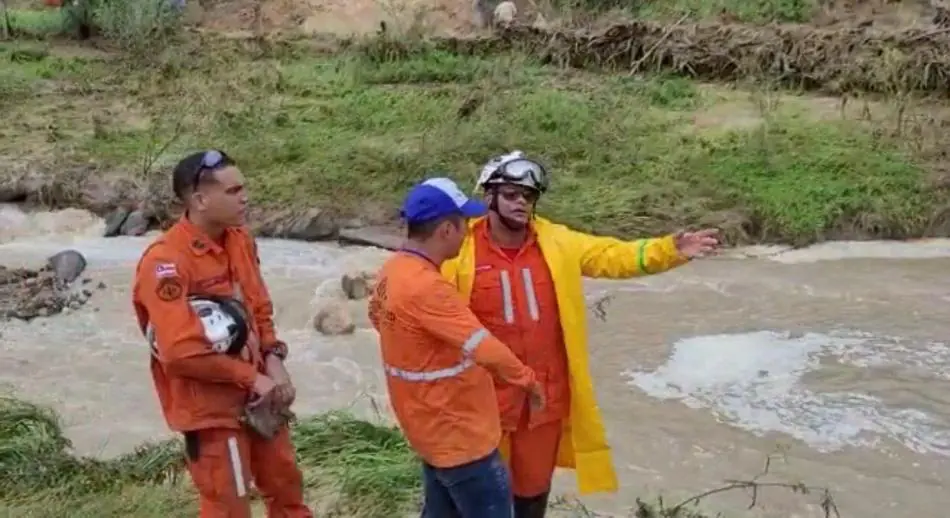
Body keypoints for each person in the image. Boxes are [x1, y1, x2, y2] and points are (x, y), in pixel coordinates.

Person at [440, 151, 721, 517]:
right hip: (481, 403)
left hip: (543, 401)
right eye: (511, 194)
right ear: (488, 196)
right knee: (480, 498)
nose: (521, 202)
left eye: (528, 196)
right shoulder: (458, 250)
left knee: (531, 495)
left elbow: (611, 255)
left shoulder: (557, 242)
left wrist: (669, 250)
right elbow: (419, 298)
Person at [132, 149, 313, 518]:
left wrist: (274, 359)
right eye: (233, 192)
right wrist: (253, 377)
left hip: (260, 395)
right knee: (228, 507)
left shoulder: (240, 240)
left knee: (287, 491)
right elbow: (179, 352)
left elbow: (258, 305)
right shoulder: (165, 262)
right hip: (211, 410)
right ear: (200, 200)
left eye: (243, 189)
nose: (245, 198)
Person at [368, 177, 546, 518]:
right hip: (462, 435)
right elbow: (486, 348)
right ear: (446, 229)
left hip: (427, 429)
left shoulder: (392, 270)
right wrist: (528, 381)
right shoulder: (429, 289)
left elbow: (377, 318)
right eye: (464, 223)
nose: (468, 232)